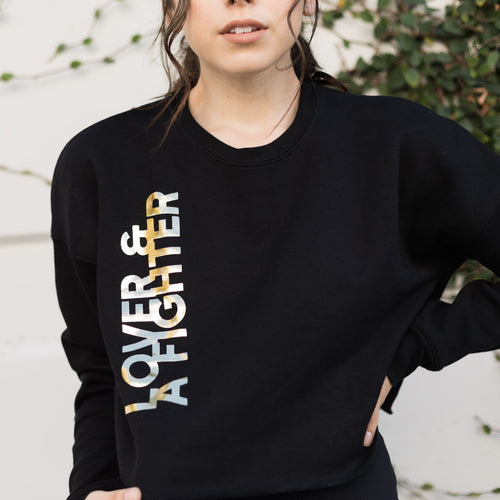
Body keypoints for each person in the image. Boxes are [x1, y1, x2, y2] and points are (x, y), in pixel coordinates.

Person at [50, 0, 500, 499]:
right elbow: (100, 365)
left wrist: (417, 344)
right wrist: (93, 486)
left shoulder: (395, 145)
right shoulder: (104, 164)